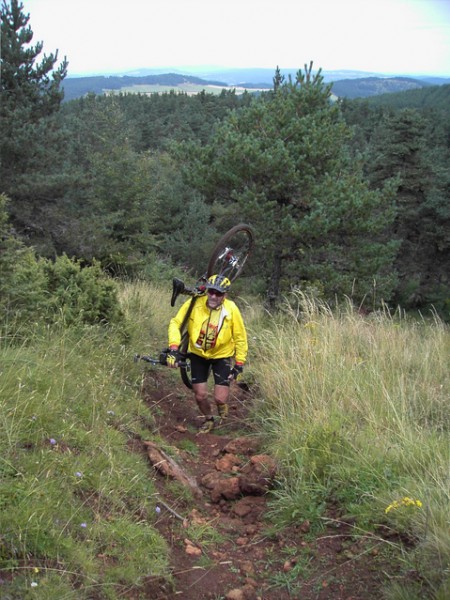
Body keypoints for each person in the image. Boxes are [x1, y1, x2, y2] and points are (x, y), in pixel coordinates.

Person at [166, 274, 248, 434]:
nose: (213, 296)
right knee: (200, 395)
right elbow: (175, 323)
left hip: (221, 355)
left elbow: (240, 337)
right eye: (211, 292)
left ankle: (221, 406)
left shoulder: (231, 309)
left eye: (219, 294)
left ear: (225, 295)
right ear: (207, 291)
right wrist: (174, 349)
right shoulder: (195, 303)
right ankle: (209, 419)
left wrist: (239, 364)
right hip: (198, 354)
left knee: (220, 398)